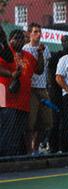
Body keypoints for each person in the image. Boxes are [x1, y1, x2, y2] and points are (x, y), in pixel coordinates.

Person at [0, 28, 44, 157]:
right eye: (16, 38)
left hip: (23, 100)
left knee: (17, 131)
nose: (20, 40)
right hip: (7, 98)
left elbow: (39, 70)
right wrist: (11, 74)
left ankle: (13, 156)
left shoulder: (28, 56)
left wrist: (40, 54)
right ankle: (4, 157)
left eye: (22, 38)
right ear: (10, 40)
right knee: (6, 128)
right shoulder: (6, 53)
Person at [23, 22, 53, 155]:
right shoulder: (25, 49)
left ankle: (36, 148)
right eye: (35, 32)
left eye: (39, 32)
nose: (38, 34)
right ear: (29, 34)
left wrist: (48, 84)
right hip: (31, 88)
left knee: (46, 120)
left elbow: (47, 68)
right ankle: (29, 150)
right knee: (31, 121)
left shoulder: (45, 48)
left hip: (43, 87)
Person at [47, 35, 68, 153]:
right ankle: (53, 146)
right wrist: (52, 87)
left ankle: (65, 147)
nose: (66, 43)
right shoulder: (56, 56)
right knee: (55, 120)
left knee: (67, 120)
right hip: (56, 92)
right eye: (64, 41)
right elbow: (51, 72)